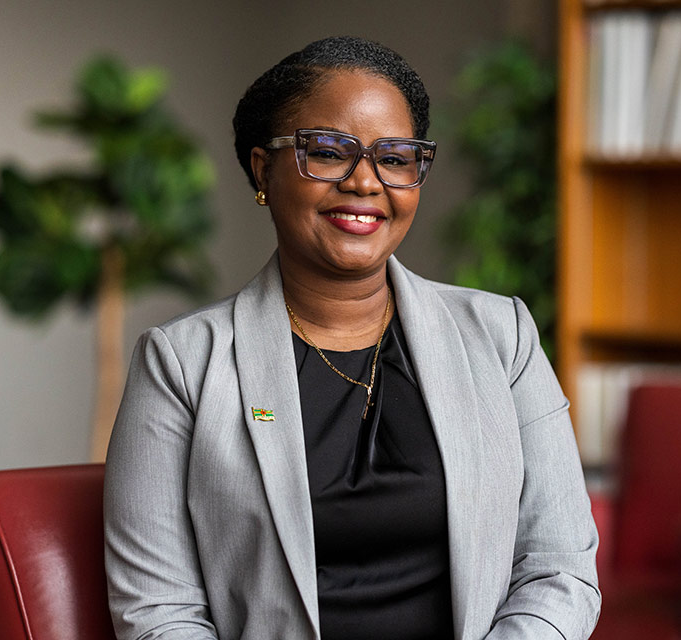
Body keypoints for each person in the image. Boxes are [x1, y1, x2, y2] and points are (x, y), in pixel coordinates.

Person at [103, 36, 600, 640]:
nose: (366, 182)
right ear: (263, 170)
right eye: (330, 152)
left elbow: (560, 570)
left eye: (394, 158)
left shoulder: (502, 338)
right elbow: (159, 614)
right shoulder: (182, 364)